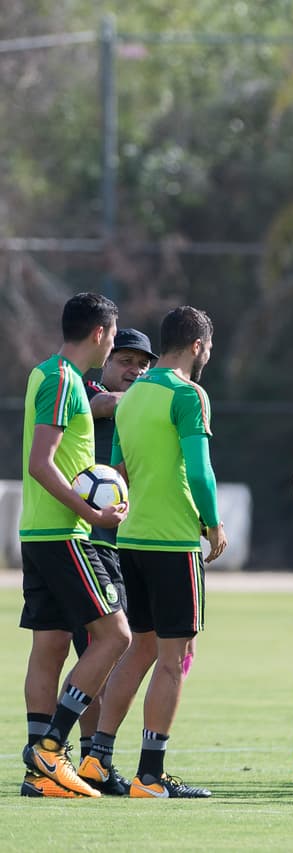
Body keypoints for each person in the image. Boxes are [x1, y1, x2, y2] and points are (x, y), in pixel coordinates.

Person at [18, 293, 131, 799]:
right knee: (115, 636)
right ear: (101, 334)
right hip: (66, 533)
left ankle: (38, 778)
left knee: (50, 644)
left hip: (39, 532)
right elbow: (41, 463)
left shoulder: (47, 374)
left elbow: (94, 405)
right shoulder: (64, 382)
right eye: (113, 337)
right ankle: (50, 749)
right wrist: (91, 513)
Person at [112, 305, 228, 798]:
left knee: (140, 648)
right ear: (198, 345)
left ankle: (97, 757)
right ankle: (151, 774)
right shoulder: (188, 394)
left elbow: (118, 469)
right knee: (174, 656)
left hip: (132, 538)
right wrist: (214, 524)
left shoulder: (132, 394)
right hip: (174, 540)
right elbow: (200, 471)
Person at [73, 328, 157, 796]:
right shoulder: (86, 390)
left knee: (112, 652)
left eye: (142, 365)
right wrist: (153, 393)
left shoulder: (139, 404)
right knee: (94, 650)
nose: (134, 371)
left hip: (124, 545)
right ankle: (73, 754)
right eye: (125, 360)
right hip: (85, 541)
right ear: (105, 360)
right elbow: (103, 406)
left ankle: (92, 760)